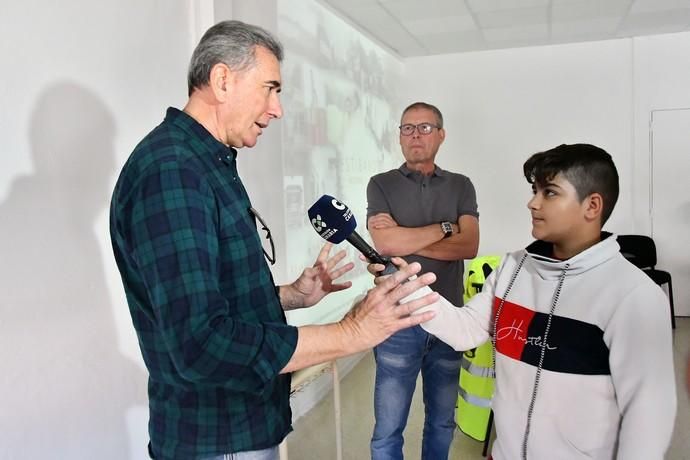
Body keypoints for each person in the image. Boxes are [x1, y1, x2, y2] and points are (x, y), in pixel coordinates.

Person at [109, 20, 440, 460]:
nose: (277, 109)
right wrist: (352, 332)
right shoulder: (173, 172)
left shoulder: (207, 163)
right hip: (219, 438)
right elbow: (200, 345)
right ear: (223, 79)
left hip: (240, 427)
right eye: (270, 88)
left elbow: (205, 297)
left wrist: (289, 296)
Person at [372, 144, 677, 460]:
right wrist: (404, 286)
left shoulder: (634, 296)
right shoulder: (512, 269)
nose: (532, 203)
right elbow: (465, 330)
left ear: (592, 205)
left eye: (550, 193)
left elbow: (648, 420)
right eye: (535, 191)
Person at [366, 101, 480, 459]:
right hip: (396, 319)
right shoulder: (380, 184)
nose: (415, 135)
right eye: (407, 128)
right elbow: (385, 243)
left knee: (442, 422)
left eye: (425, 127)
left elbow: (470, 245)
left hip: (449, 320)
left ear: (441, 135)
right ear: (400, 137)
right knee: (387, 431)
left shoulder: (461, 185)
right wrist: (445, 230)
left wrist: (406, 239)